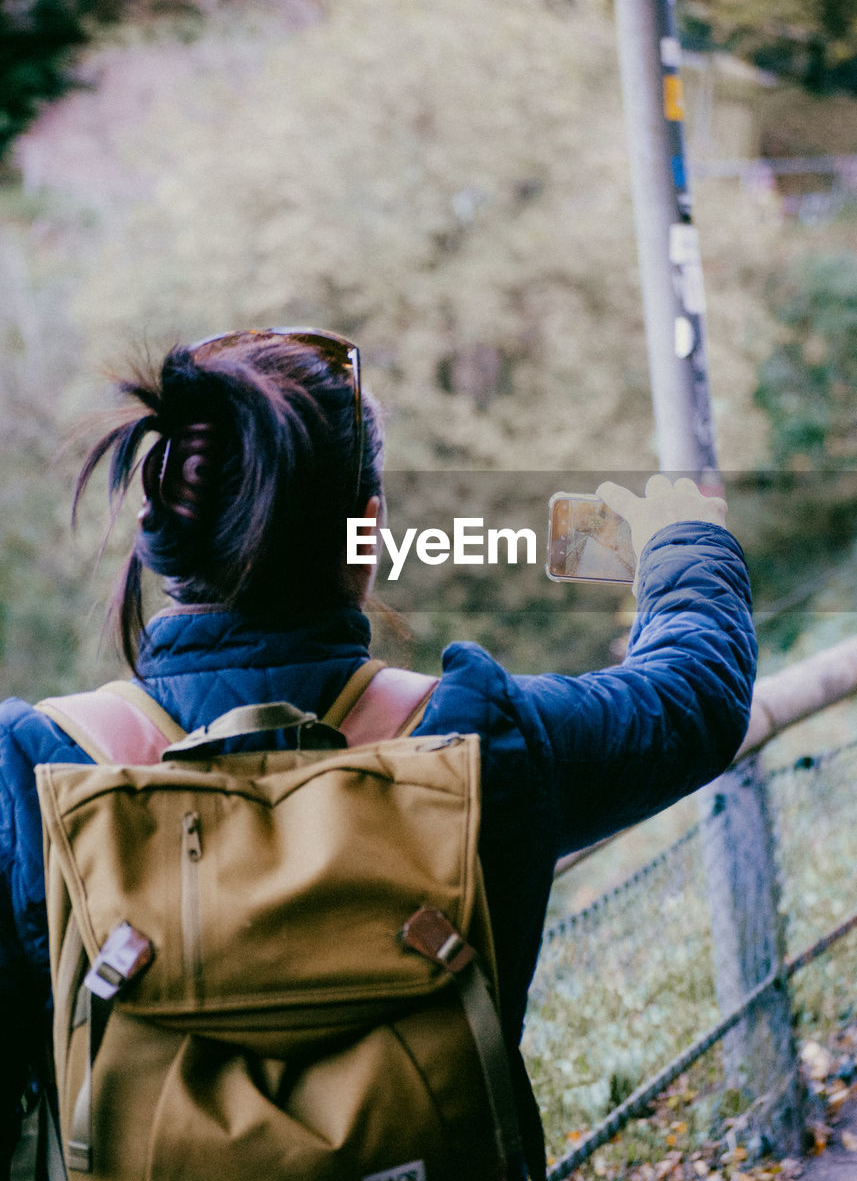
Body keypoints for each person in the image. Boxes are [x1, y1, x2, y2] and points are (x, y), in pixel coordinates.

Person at [0, 328, 757, 1179]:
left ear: (162, 540)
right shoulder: (476, 738)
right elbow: (694, 699)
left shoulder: (39, 770)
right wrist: (681, 543)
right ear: (369, 534)